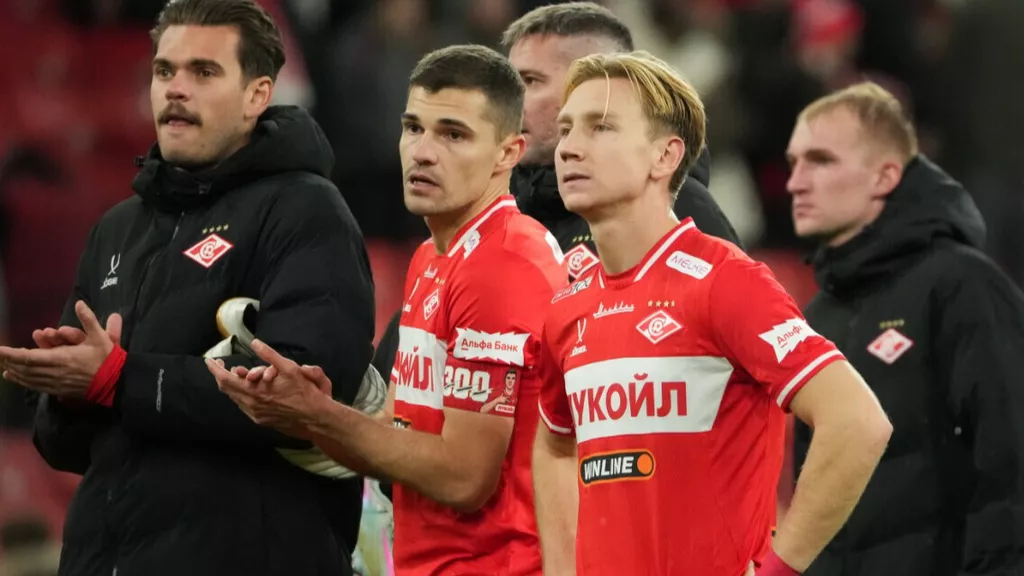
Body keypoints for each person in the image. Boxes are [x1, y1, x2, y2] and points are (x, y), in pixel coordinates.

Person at [0, 1, 375, 575]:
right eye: (164, 70)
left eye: (204, 72)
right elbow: (64, 447)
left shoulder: (306, 211)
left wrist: (118, 378)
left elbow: (305, 399)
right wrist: (69, 395)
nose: (176, 89)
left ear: (257, 95)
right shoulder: (116, 229)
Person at [208, 45, 565, 576]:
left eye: (453, 135)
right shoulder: (432, 258)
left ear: (508, 153)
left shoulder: (502, 265)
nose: (422, 152)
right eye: (413, 127)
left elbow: (465, 479)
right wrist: (303, 411)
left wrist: (320, 415)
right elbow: (395, 431)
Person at [533, 51, 893, 576]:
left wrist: (777, 570)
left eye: (600, 127)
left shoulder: (725, 281)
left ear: (665, 156)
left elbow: (858, 421)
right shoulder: (567, 305)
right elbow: (555, 447)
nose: (568, 147)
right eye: (566, 129)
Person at [786, 82, 1024, 576]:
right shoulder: (817, 316)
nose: (795, 183)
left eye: (820, 160)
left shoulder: (964, 286)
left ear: (885, 175)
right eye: (793, 163)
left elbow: (1011, 462)